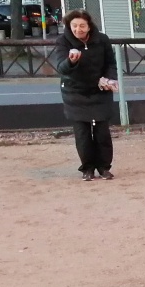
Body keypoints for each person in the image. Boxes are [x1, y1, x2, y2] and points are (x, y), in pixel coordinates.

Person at [53, 10, 119, 181]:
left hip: (100, 91)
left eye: (82, 25)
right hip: (75, 92)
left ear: (89, 26)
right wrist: (71, 61)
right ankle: (87, 168)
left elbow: (110, 63)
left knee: (102, 133)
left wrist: (109, 79)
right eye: (74, 26)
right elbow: (61, 68)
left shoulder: (102, 40)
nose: (78, 29)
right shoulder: (63, 41)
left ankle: (104, 167)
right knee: (82, 134)